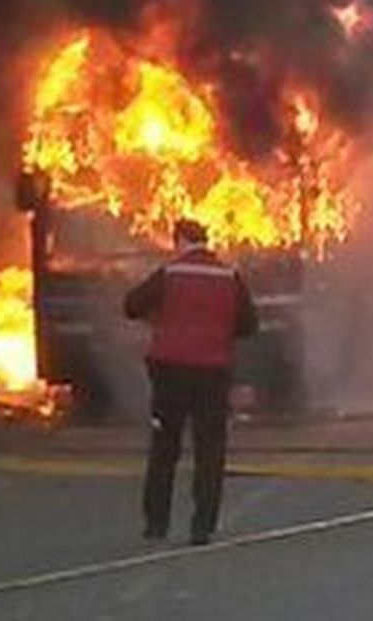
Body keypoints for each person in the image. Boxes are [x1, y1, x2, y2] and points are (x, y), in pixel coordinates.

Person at [124, 219, 258, 545]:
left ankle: (156, 524)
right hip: (212, 373)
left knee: (164, 447)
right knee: (210, 450)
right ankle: (203, 527)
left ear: (180, 240)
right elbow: (249, 324)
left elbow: (131, 306)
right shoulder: (230, 276)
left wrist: (159, 317)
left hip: (169, 372)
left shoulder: (170, 273)